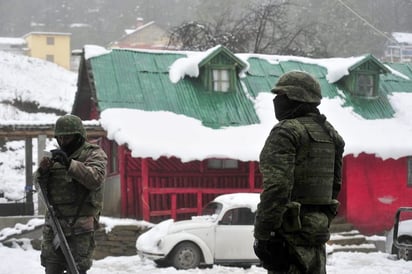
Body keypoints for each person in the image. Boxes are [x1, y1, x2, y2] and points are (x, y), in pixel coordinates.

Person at [253, 71, 345, 274]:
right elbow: (335, 187)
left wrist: (263, 234)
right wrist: (319, 221)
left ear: (296, 97)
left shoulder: (286, 131)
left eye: (281, 95)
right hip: (316, 234)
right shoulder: (331, 134)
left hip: (288, 238)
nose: (277, 100)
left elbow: (277, 187)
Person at [35, 114, 107, 274]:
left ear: (79, 136)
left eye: (67, 138)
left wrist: (69, 164)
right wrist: (43, 171)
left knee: (77, 270)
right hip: (54, 225)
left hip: (79, 227)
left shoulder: (93, 153)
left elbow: (95, 178)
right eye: (59, 138)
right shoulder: (54, 157)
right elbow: (38, 187)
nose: (63, 142)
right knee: (52, 268)